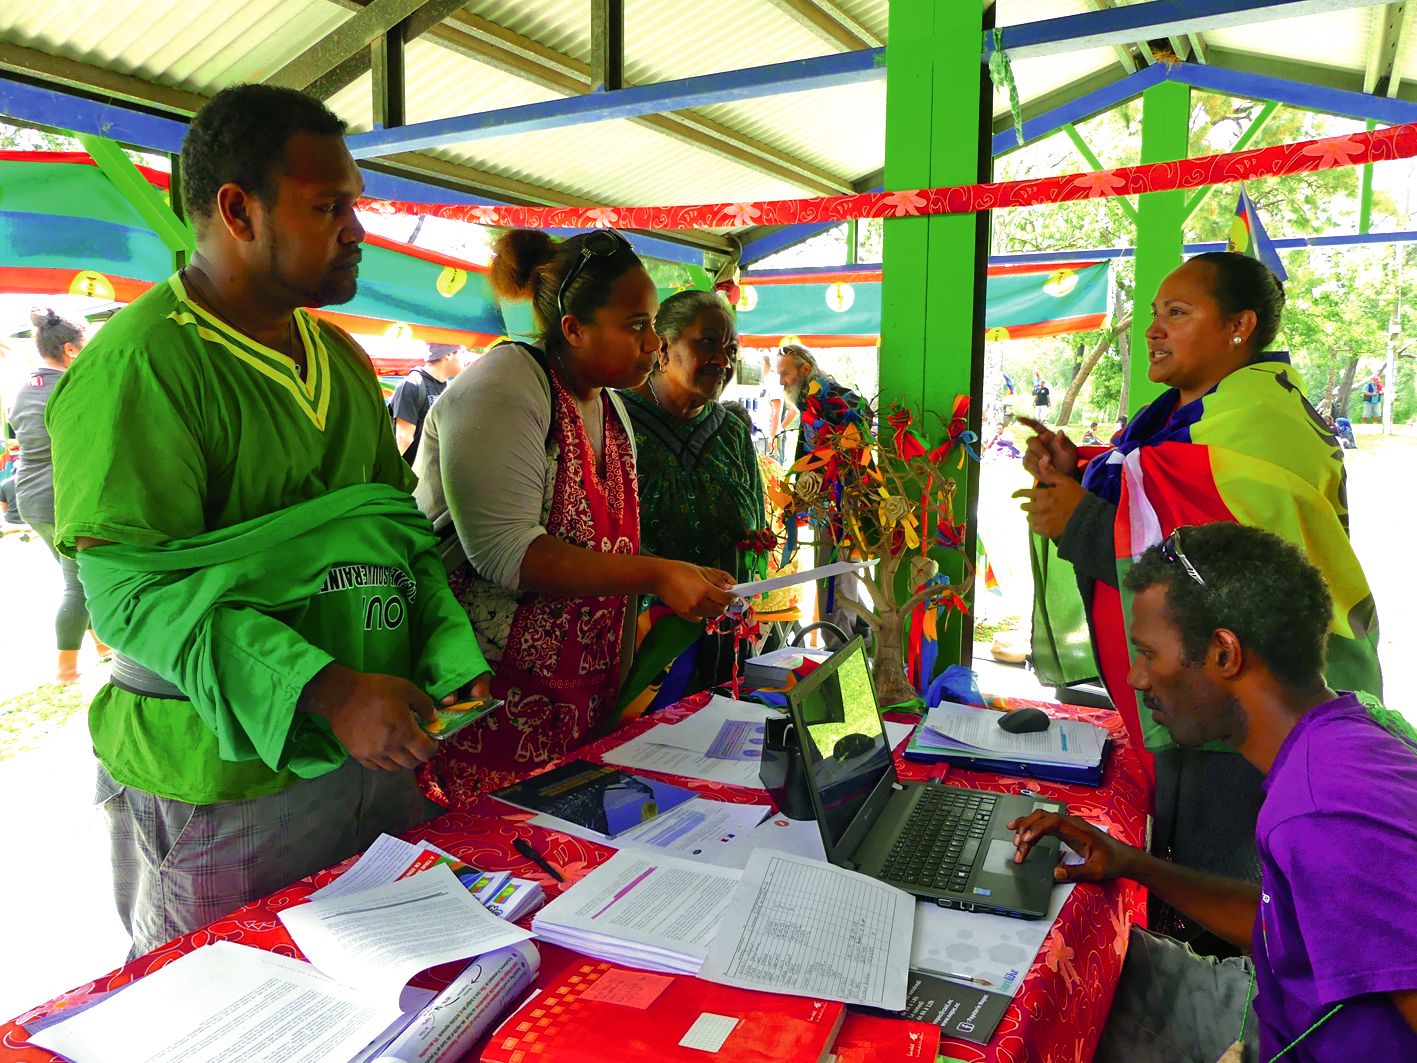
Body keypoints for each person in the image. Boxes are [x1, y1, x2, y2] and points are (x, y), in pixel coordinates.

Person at [46, 84, 488, 957]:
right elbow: (130, 596)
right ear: (238, 210)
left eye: (353, 204)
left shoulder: (344, 361)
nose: (356, 229)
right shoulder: (141, 367)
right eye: (330, 206)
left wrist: (446, 656)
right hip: (228, 786)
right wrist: (325, 690)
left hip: (373, 764)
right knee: (225, 1013)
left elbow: (397, 534)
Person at [1015, 252, 1380, 927]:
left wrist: (1083, 517)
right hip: (1206, 708)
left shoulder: (1256, 423)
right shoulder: (1193, 414)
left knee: (1239, 907)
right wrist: (1084, 472)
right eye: (1153, 314)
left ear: (1239, 326)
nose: (1152, 330)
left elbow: (1210, 561)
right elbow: (1158, 481)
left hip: (1251, 716)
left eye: (1176, 314)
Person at [1009, 524, 1417, 1061]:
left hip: (1274, 1041)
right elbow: (1288, 922)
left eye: (1149, 653)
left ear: (1224, 654)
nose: (1136, 677)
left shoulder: (1323, 812)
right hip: (1273, 1003)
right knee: (1051, 970)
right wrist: (1131, 862)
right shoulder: (1342, 733)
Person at [413, 229, 735, 806]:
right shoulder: (504, 384)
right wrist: (658, 575)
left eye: (653, 324)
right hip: (491, 705)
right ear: (574, 329)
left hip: (578, 711)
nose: (653, 344)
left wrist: (674, 579)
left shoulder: (610, 406)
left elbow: (612, 553)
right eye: (636, 325)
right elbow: (508, 554)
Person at [621, 291, 766, 690]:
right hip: (637, 648)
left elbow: (756, 528)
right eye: (707, 343)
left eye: (731, 349)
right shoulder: (613, 422)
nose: (723, 360)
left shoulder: (733, 432)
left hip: (723, 646)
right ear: (663, 348)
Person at [7, 309, 105, 682]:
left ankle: (102, 644)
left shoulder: (25, 386)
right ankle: (66, 669)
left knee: (76, 575)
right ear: (71, 349)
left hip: (30, 495)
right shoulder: (70, 387)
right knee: (78, 583)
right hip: (59, 497)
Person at [775, 343, 867, 464]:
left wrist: (839, 440)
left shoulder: (824, 389)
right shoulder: (804, 394)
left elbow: (863, 411)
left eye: (785, 374)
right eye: (779, 375)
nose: (781, 382)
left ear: (805, 369)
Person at [389, 342, 463, 464]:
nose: (464, 360)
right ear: (448, 354)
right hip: (413, 476)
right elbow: (403, 439)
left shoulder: (449, 389)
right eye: (462, 352)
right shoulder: (412, 385)